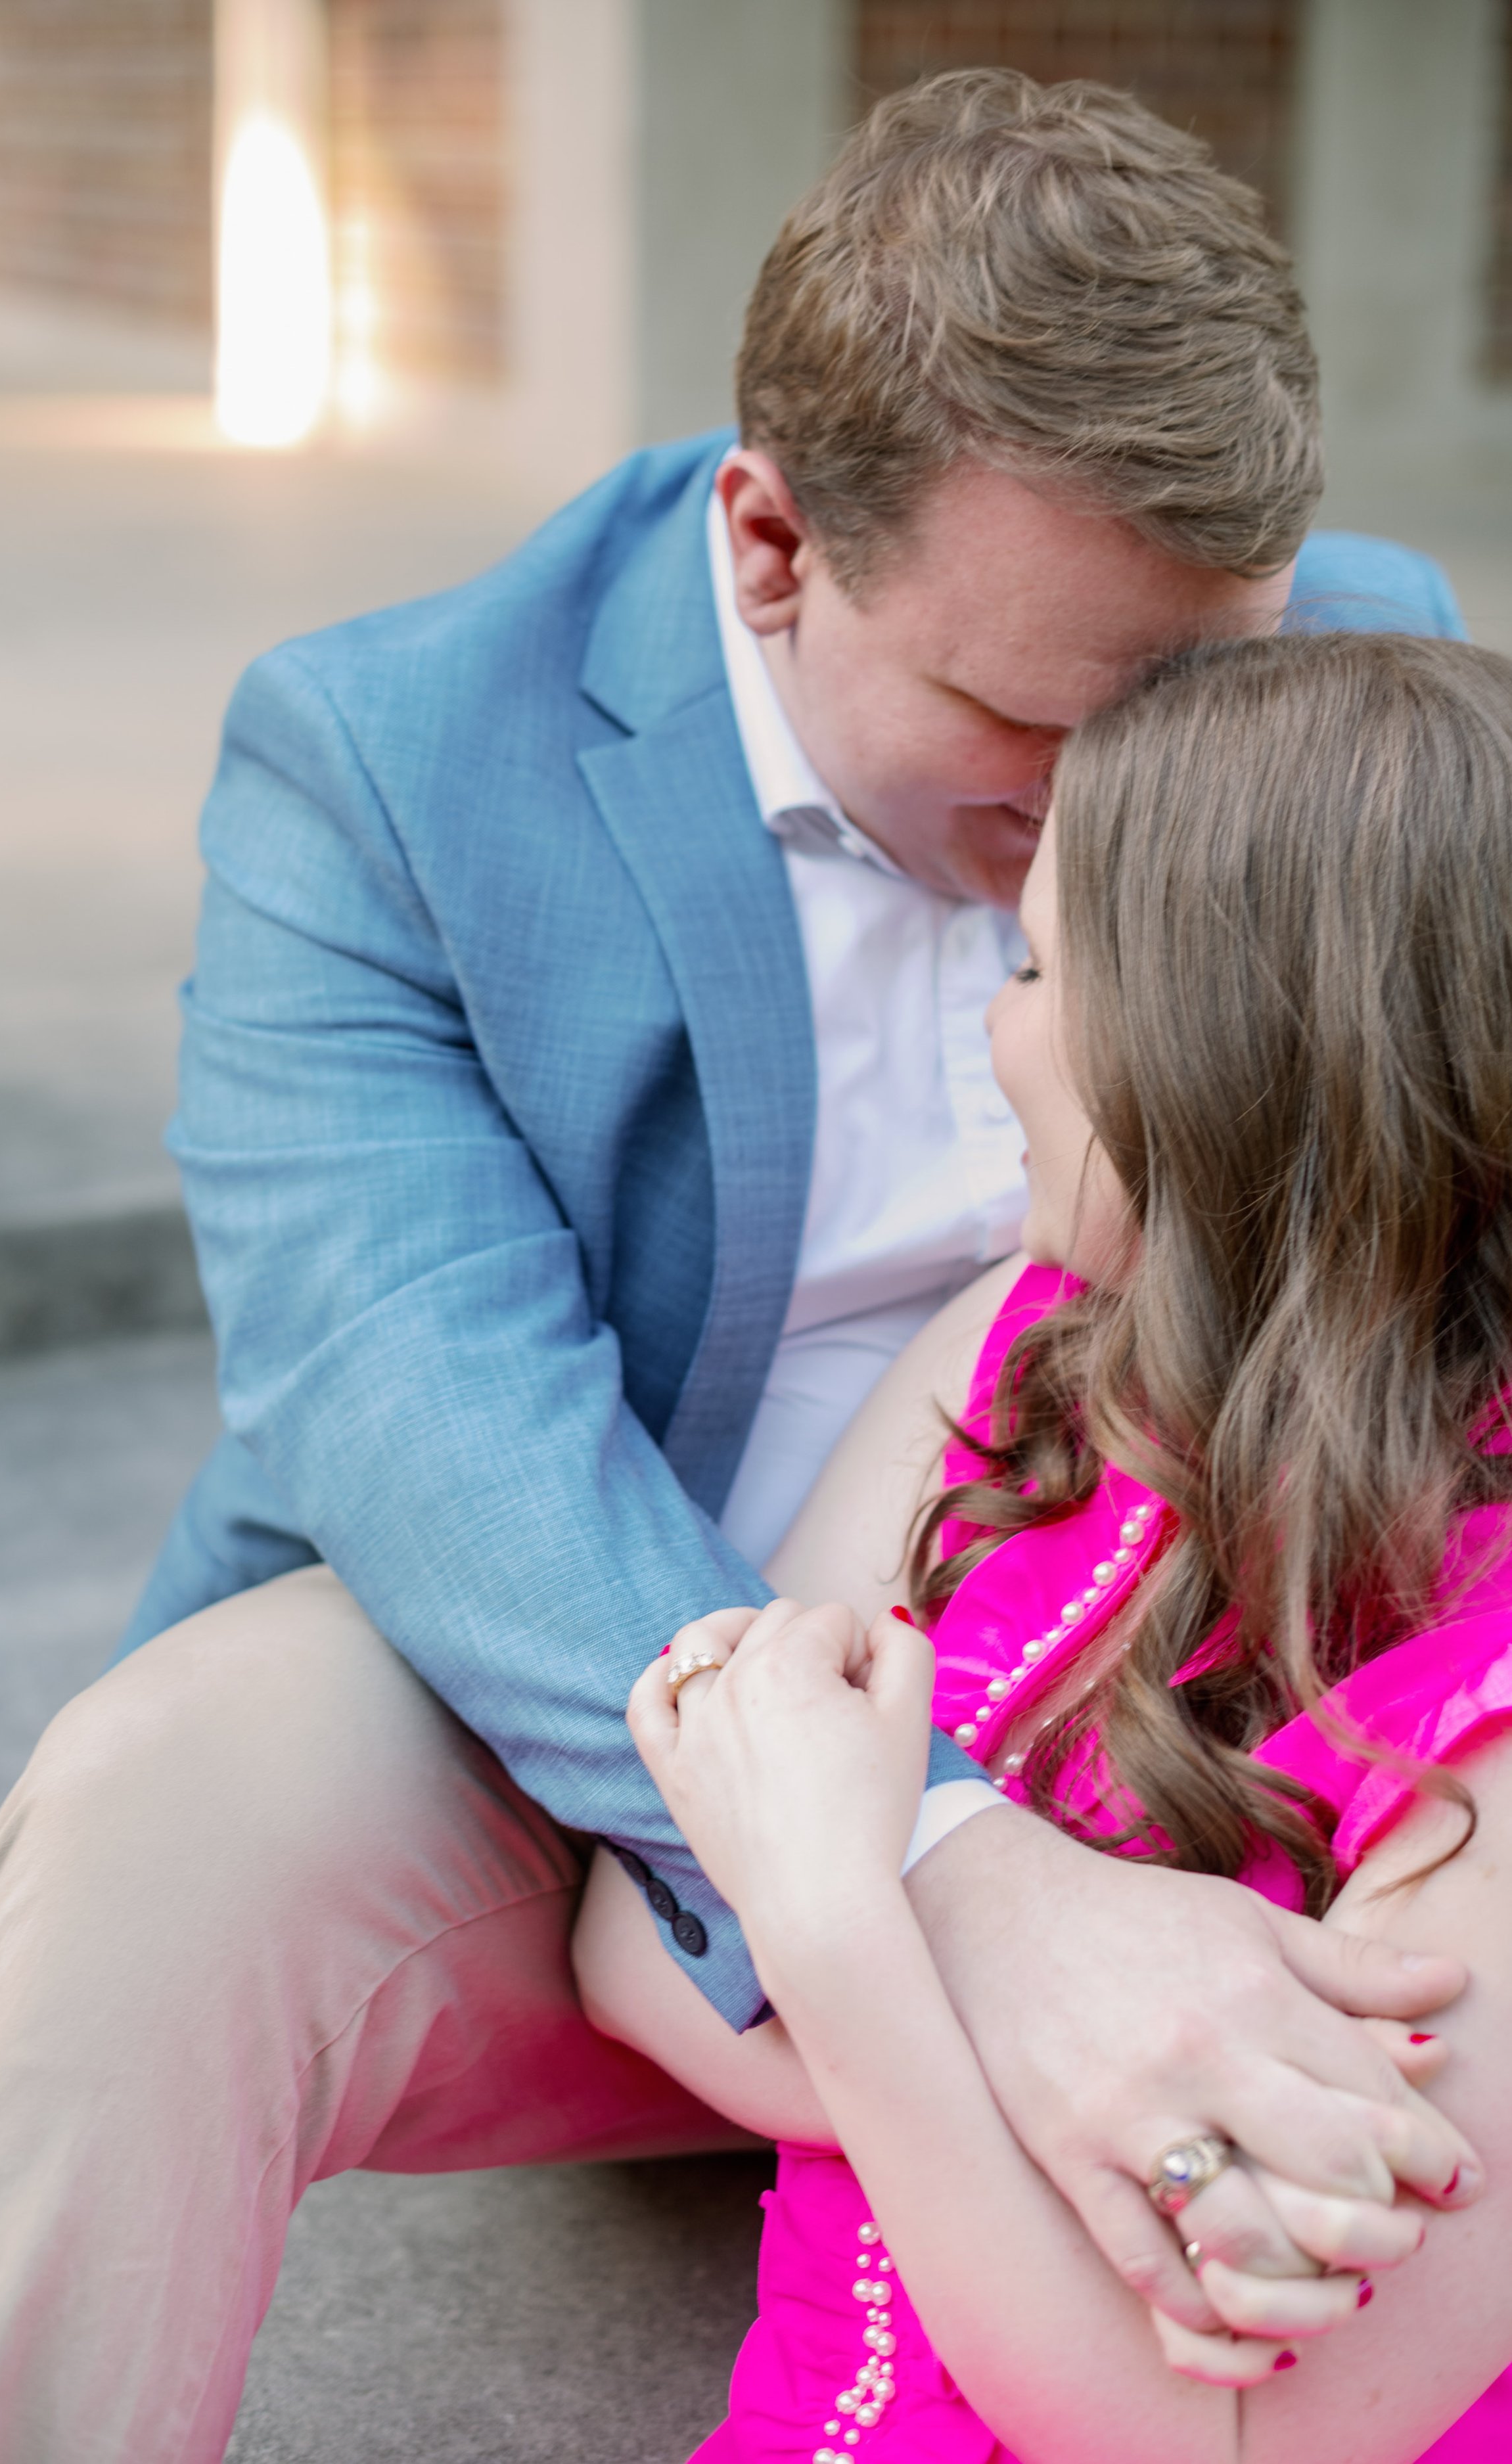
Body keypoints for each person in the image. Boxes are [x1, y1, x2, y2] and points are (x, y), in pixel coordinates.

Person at [0, 73, 1478, 2463]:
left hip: (1212, 1678)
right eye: (1029, 727)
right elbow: (429, 1413)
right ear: (767, 542)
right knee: (165, 1806)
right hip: (615, 1676)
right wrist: (953, 1867)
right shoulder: (390, 759)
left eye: (1182, 713)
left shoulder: (1358, 668)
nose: (1111, 822)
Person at [577, 630, 1512, 2462]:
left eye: (1028, 966)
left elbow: (1239, 2440)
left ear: (1214, 1062)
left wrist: (848, 1938)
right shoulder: (1016, 1354)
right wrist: (1063, 2099)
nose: (992, 1024)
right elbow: (641, 1929)